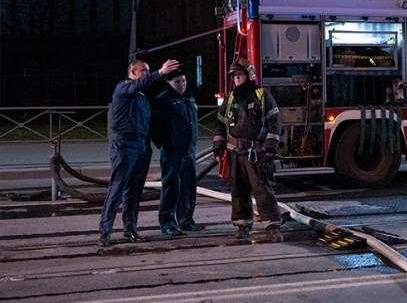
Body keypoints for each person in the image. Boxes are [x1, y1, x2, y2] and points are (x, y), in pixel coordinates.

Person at [98, 58, 179, 246]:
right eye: (144, 71)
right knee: (117, 188)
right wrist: (159, 72)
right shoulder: (124, 88)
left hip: (142, 146)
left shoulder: (142, 96)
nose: (147, 74)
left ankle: (130, 229)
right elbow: (140, 84)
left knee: (134, 191)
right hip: (125, 145)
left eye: (148, 71)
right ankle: (105, 231)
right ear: (133, 73)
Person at [213, 58, 284, 243]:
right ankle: (243, 226)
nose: (236, 79)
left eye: (240, 75)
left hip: (257, 154)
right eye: (234, 76)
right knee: (238, 191)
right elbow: (220, 124)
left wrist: (270, 149)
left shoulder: (261, 96)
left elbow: (274, 122)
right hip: (235, 154)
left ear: (249, 75)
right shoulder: (230, 98)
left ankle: (272, 227)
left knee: (263, 191)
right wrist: (218, 147)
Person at [150, 65, 203, 237]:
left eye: (184, 81)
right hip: (173, 152)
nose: (182, 85)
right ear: (168, 82)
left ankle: (186, 220)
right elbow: (156, 128)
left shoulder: (189, 98)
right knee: (172, 189)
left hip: (189, 151)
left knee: (188, 188)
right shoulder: (163, 100)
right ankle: (167, 223)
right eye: (177, 82)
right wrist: (166, 145)